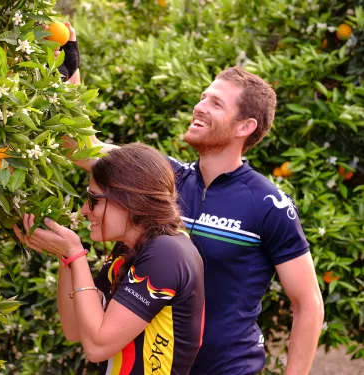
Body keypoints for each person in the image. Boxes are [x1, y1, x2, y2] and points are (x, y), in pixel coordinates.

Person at [65, 67, 324, 375]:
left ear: (246, 126)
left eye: (216, 103)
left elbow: (308, 302)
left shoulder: (269, 204)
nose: (199, 106)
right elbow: (81, 148)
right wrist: (70, 74)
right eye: (203, 97)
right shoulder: (162, 179)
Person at [14, 143, 205, 374]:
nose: (85, 209)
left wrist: (77, 256)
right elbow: (75, 329)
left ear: (129, 199)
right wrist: (66, 257)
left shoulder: (166, 252)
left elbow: (97, 346)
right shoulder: (132, 247)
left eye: (94, 199)